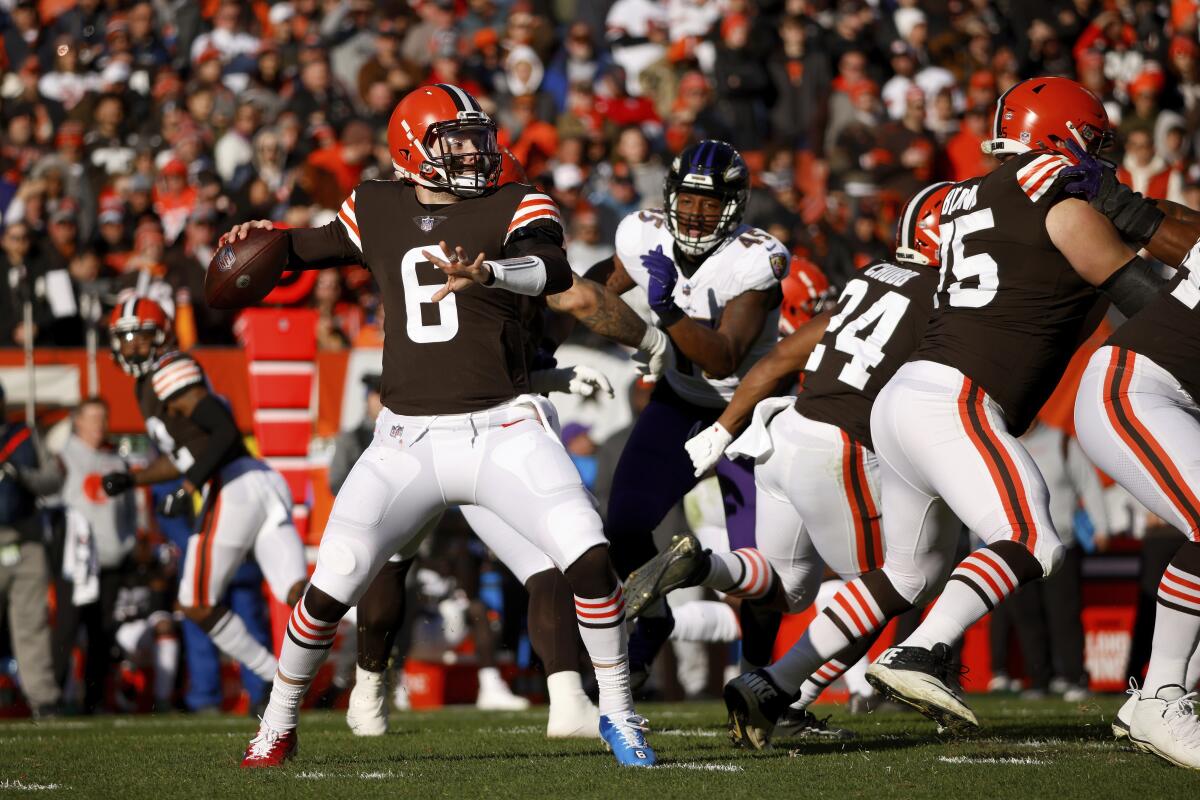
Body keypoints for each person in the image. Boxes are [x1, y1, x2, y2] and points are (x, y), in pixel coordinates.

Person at [226, 83, 657, 768]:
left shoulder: (516, 200)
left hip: (505, 427)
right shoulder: (376, 205)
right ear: (411, 150)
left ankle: (620, 715)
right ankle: (277, 726)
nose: (474, 152)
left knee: (588, 553)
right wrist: (261, 241)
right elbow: (304, 249)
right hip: (406, 438)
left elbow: (548, 267)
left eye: (477, 137)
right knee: (332, 581)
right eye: (454, 140)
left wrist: (489, 269)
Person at [727, 76, 1170, 740]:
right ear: (1058, 138)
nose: (1099, 157)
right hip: (958, 399)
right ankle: (920, 651)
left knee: (912, 570)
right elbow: (1144, 300)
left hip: (907, 401)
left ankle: (775, 682)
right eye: (1091, 141)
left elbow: (1051, 305)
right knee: (1031, 538)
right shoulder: (1057, 199)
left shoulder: (967, 196)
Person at [632, 182, 953, 746]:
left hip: (780, 433)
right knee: (888, 585)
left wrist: (722, 428)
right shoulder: (943, 300)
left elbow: (780, 357)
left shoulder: (870, 280)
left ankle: (701, 567)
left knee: (789, 589)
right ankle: (786, 697)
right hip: (840, 445)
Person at [575, 139, 791, 686]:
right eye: (689, 200)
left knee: (757, 562)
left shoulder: (755, 259)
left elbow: (724, 357)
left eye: (710, 202)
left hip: (749, 417)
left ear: (734, 206)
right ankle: (653, 621)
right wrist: (558, 311)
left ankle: (759, 682)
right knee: (623, 526)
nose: (696, 214)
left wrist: (666, 312)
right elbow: (600, 286)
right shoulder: (644, 233)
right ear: (670, 196)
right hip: (679, 403)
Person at [1063, 145, 1200, 768]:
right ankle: (1162, 693)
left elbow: (1180, 227)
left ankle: (1169, 691)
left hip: (1163, 395)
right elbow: (1179, 235)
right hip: (1135, 389)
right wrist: (1122, 206)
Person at [99, 297, 308, 695]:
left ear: (159, 336)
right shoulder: (153, 382)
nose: (129, 348)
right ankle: (359, 619)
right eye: (123, 339)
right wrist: (134, 479)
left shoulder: (169, 371)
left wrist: (189, 486)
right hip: (258, 481)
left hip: (233, 485)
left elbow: (223, 432)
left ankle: (272, 677)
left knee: (194, 602)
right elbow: (186, 453)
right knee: (298, 593)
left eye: (138, 338)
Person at [54, 397, 138, 714]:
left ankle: (95, 699)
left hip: (111, 557)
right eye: (92, 418)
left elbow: (131, 508)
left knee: (101, 632)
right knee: (67, 627)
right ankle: (52, 698)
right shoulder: (63, 459)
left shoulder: (116, 460)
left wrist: (128, 541)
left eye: (103, 418)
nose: (99, 425)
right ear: (77, 421)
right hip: (76, 563)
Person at [0, 381, 63, 718]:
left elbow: (53, 480)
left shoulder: (24, 435)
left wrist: (22, 476)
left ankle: (44, 700)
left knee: (32, 625)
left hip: (26, 541)